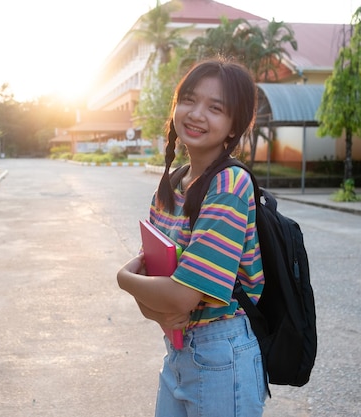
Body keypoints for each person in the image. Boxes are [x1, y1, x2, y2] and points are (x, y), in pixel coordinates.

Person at [117, 57, 267, 417]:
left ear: (233, 127)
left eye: (215, 108)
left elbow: (180, 296)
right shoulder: (172, 184)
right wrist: (158, 312)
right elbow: (153, 284)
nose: (197, 114)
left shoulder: (230, 184)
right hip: (179, 350)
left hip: (222, 354)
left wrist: (122, 278)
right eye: (189, 100)